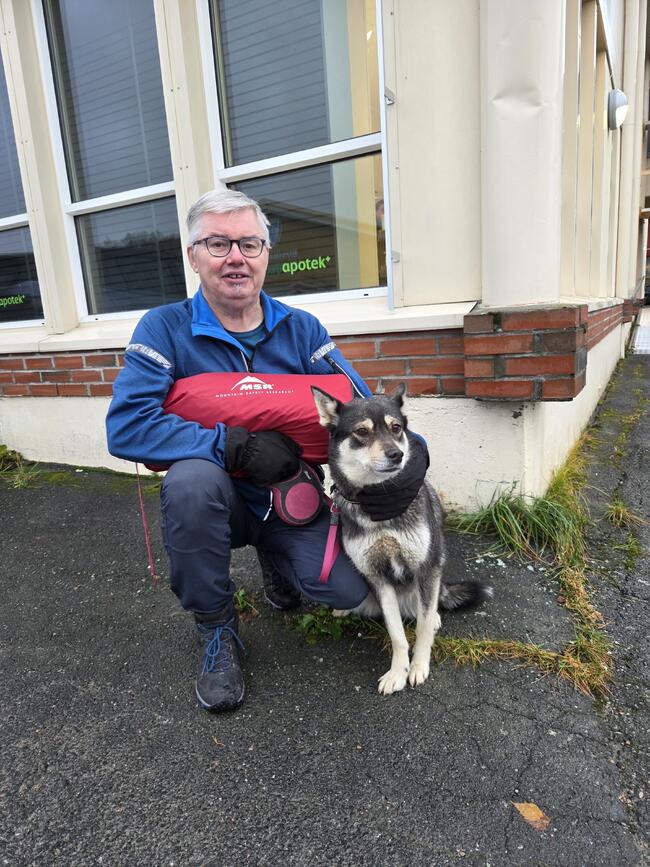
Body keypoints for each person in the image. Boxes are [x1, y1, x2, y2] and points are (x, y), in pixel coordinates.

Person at [106, 188, 427, 713]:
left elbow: (364, 409)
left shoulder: (301, 329)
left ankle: (280, 563)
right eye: (218, 244)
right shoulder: (163, 329)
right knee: (190, 484)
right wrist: (230, 446)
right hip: (216, 505)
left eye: (250, 244)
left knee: (347, 591)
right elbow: (127, 428)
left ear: (266, 254)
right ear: (193, 256)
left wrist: (415, 456)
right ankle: (217, 629)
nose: (236, 257)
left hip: (289, 500)